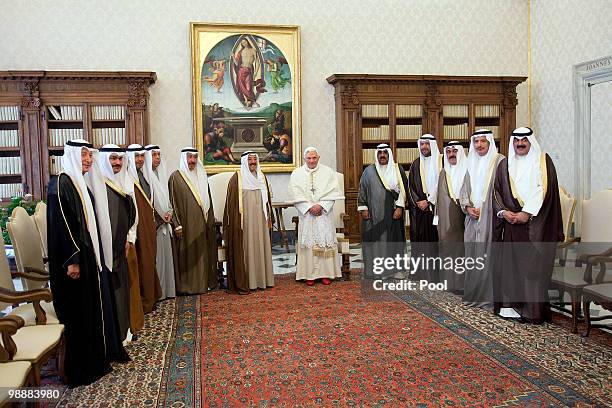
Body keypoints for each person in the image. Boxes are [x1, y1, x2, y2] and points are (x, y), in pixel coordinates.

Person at [47, 139, 128, 387]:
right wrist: (73, 260)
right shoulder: (60, 184)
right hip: (73, 266)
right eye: (83, 155)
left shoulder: (79, 184)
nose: (88, 160)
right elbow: (62, 226)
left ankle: (98, 357)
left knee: (93, 310)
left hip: (88, 260)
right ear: (72, 155)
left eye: (90, 156)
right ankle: (81, 368)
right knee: (80, 315)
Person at [492, 127, 564, 323]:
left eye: (524, 140)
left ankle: (532, 311)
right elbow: (496, 192)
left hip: (535, 225)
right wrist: (504, 212)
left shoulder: (543, 161)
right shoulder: (504, 165)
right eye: (516, 141)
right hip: (511, 224)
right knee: (510, 268)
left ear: (531, 142)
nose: (520, 144)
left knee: (531, 269)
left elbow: (545, 190)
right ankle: (510, 309)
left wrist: (526, 212)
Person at [96, 145, 140, 343]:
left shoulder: (125, 179)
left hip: (123, 246)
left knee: (123, 289)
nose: (117, 163)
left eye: (120, 159)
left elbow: (133, 213)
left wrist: (130, 237)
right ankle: (114, 334)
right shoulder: (98, 184)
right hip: (106, 249)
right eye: (113, 159)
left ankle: (125, 329)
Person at [460, 129, 505, 309]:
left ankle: (489, 296)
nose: (479, 145)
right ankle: (474, 293)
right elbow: (464, 190)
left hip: (491, 218)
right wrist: (468, 207)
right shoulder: (470, 162)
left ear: (489, 143)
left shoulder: (500, 161)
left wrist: (488, 209)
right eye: (476, 142)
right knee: (472, 254)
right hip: (472, 218)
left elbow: (504, 191)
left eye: (482, 142)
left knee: (487, 255)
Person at [289, 147, 343, 285]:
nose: (312, 161)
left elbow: (333, 192)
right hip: (306, 216)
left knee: (324, 243)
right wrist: (308, 207)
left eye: (314, 158)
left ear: (318, 157)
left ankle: (326, 274)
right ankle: (309, 275)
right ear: (304, 159)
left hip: (323, 214)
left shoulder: (328, 172)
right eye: (309, 158)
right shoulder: (297, 173)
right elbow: (295, 194)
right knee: (309, 244)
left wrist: (321, 206)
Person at [168, 147, 218, 294]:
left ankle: (206, 283)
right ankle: (189, 286)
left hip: (203, 223)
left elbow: (208, 201)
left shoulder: (201, 175)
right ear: (184, 158)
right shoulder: (176, 177)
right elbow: (173, 203)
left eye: (195, 158)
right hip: (187, 225)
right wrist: (176, 225)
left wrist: (211, 221)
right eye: (189, 157)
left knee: (203, 253)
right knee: (189, 254)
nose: (192, 161)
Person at [224, 151, 274, 294]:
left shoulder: (262, 177)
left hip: (261, 221)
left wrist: (269, 218)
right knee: (248, 247)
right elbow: (231, 205)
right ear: (245, 161)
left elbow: (267, 201)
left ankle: (263, 280)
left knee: (260, 246)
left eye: (255, 159)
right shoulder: (237, 178)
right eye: (250, 159)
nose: (253, 162)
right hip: (244, 223)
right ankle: (249, 281)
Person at [358, 144, 408, 279]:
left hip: (392, 213)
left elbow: (403, 191)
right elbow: (362, 189)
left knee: (394, 241)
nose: (382, 155)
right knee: (375, 241)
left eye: (385, 152)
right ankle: (378, 271)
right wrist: (363, 208)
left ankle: (395, 270)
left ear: (389, 154)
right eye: (380, 153)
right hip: (374, 214)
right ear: (376, 155)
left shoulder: (397, 169)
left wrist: (399, 207)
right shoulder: (368, 171)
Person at [126, 144, 162, 313]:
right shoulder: (128, 178)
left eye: (141, 156)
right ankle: (143, 301)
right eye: (136, 156)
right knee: (141, 263)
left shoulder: (144, 176)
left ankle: (150, 297)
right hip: (137, 229)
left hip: (148, 226)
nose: (139, 159)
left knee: (149, 261)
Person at [143, 144, 176, 299]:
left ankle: (167, 291)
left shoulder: (159, 175)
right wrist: (160, 217)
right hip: (155, 225)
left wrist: (168, 213)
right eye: (154, 155)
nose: (157, 158)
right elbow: (147, 203)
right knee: (157, 261)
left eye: (158, 155)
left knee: (165, 260)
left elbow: (165, 198)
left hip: (165, 222)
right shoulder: (145, 177)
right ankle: (159, 293)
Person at [407, 135, 441, 281]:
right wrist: (418, 202)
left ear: (432, 145)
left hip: (437, 209)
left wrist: (429, 201)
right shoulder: (416, 164)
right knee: (420, 241)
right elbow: (411, 187)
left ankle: (435, 275)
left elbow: (444, 185)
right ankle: (420, 273)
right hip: (420, 210)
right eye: (422, 144)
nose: (424, 147)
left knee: (436, 240)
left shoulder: (441, 162)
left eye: (427, 144)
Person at [436, 141, 467, 293]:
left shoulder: (468, 170)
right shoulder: (444, 172)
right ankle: (449, 283)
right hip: (446, 221)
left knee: (462, 251)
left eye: (454, 151)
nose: (451, 154)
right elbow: (438, 198)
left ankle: (461, 283)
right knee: (447, 250)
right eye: (448, 152)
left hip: (464, 218)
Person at [233, 37, 265, 108]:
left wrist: (256, 73)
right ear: (241, 44)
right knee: (242, 87)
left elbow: (257, 62)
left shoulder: (253, 50)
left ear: (248, 42)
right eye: (242, 43)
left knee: (248, 87)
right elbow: (236, 63)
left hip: (249, 70)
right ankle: (247, 102)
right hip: (241, 70)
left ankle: (253, 101)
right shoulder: (241, 52)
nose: (244, 43)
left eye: (245, 42)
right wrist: (233, 57)